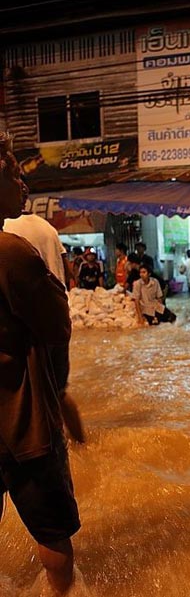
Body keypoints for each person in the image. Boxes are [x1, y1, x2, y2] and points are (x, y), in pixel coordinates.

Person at [0, 134, 81, 597]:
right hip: (21, 419)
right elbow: (57, 327)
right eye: (12, 172)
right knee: (51, 533)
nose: (21, 181)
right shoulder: (12, 252)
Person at [4, 182, 86, 445]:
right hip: (56, 317)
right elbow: (68, 273)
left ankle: (50, 447)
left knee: (30, 401)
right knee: (59, 390)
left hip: (25, 326)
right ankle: (82, 445)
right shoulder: (48, 228)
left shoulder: (8, 230)